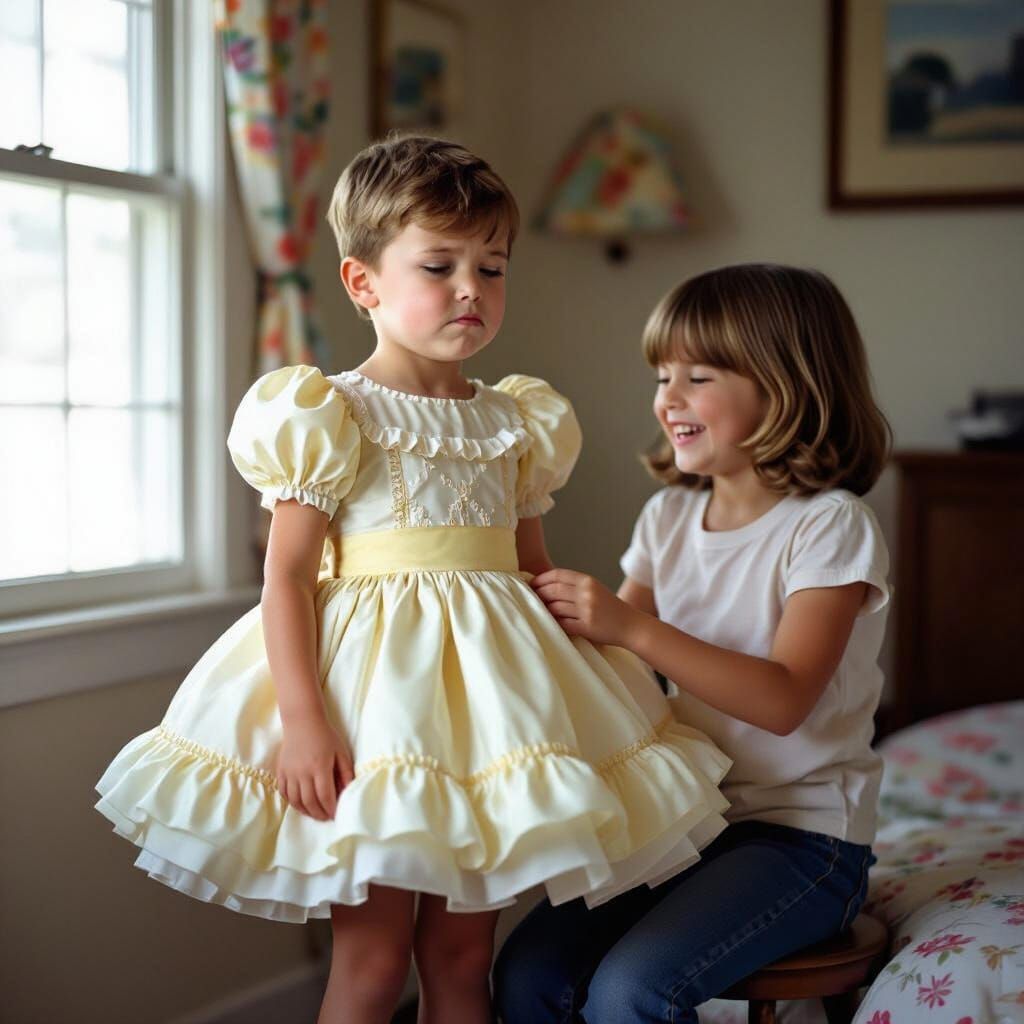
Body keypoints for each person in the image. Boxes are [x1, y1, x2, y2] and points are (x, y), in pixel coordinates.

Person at [94, 136, 730, 1024]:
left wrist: (594, 672)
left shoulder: (517, 420)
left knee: (463, 957)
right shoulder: (329, 412)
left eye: (492, 268)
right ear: (363, 283)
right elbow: (287, 579)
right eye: (440, 266)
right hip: (372, 712)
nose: (472, 289)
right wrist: (304, 722)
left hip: (495, 714)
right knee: (372, 956)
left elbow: (530, 567)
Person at [494, 263, 893, 1024]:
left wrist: (630, 626)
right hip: (687, 822)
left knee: (631, 993)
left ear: (785, 387)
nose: (667, 399)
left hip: (805, 842)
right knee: (528, 971)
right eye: (662, 376)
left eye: (697, 377)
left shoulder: (830, 526)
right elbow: (614, 664)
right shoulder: (668, 518)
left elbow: (783, 701)